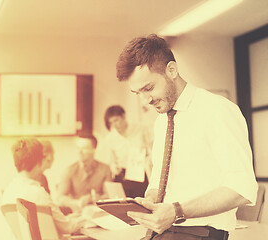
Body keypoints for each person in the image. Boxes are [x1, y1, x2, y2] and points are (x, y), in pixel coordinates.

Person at [115, 34, 258, 239]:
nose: (145, 101)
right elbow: (158, 181)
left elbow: (242, 188)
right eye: (137, 93)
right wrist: (149, 201)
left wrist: (177, 211)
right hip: (162, 231)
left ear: (171, 70)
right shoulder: (161, 121)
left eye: (148, 88)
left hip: (199, 232)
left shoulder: (217, 110)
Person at [1, 138, 86, 235]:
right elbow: (67, 227)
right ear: (38, 161)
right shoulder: (38, 193)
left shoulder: (8, 191)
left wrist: (72, 218)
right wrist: (88, 218)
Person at [96, 105, 153, 198]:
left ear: (123, 116)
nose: (114, 125)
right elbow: (112, 161)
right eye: (111, 123)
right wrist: (114, 168)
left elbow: (152, 150)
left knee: (141, 204)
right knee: (122, 205)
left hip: (140, 174)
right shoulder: (110, 138)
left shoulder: (141, 129)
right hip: (122, 176)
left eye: (116, 120)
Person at [57, 135, 112, 212]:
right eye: (78, 148)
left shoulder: (105, 169)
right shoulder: (69, 170)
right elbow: (60, 197)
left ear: (94, 150)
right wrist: (77, 202)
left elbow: (110, 196)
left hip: (99, 212)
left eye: (84, 148)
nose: (79, 152)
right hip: (77, 212)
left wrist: (97, 198)